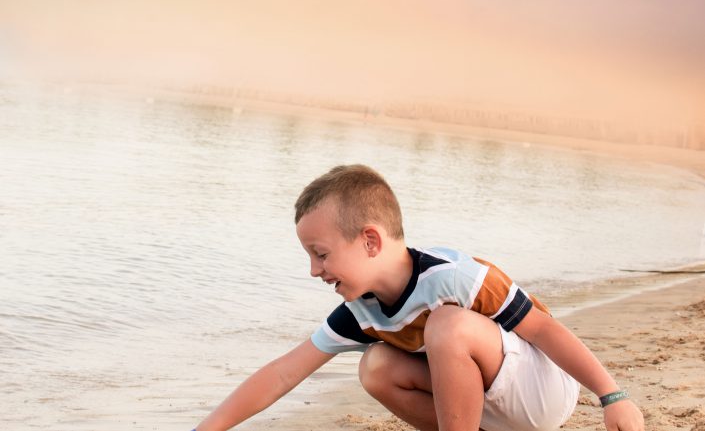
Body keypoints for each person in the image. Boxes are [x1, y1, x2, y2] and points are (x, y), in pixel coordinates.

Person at [191, 164, 644, 431]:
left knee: (447, 324)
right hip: (487, 412)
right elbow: (283, 372)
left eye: (321, 254)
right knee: (375, 366)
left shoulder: (455, 277)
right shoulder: (360, 310)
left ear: (370, 241)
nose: (314, 270)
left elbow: (543, 329)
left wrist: (612, 396)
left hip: (541, 393)